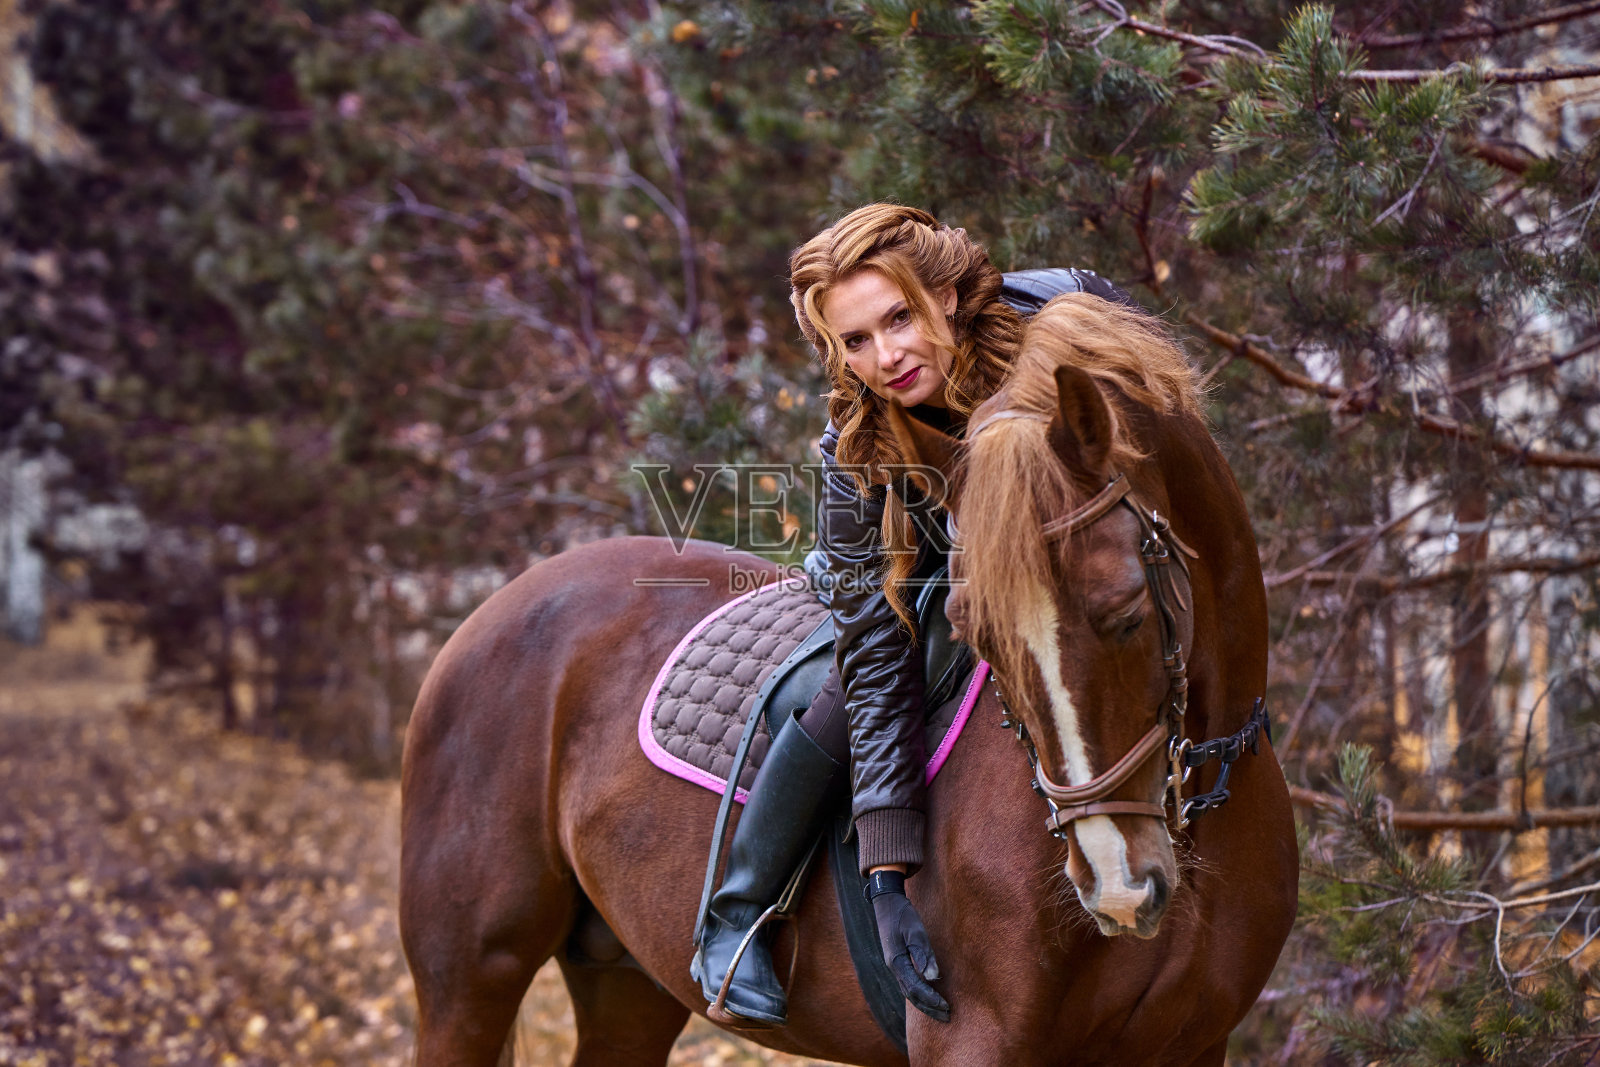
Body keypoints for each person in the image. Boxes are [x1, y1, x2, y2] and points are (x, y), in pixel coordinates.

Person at [691, 203, 1132, 1028]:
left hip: (1057, 535)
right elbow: (880, 660)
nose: (884, 357)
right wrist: (887, 877)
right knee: (861, 672)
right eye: (854, 341)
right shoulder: (855, 453)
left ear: (947, 295)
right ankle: (737, 909)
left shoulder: (1066, 317)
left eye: (898, 318)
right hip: (918, 559)